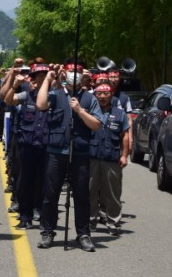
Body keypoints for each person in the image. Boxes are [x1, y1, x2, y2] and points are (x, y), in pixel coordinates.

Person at [35, 60, 103, 252]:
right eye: (71, 70)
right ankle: (47, 232)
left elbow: (96, 124)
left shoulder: (89, 98)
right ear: (64, 73)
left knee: (81, 196)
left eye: (78, 71)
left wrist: (79, 110)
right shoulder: (56, 94)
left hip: (80, 152)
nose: (75, 74)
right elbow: (40, 104)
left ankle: (83, 234)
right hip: (56, 152)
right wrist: (47, 80)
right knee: (50, 194)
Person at [1, 60, 50, 230]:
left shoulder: (54, 96)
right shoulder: (26, 95)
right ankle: (25, 216)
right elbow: (8, 100)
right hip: (27, 144)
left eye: (44, 76)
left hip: (46, 145)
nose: (41, 79)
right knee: (25, 181)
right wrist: (14, 85)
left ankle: (41, 213)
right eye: (38, 76)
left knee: (43, 182)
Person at [88, 81, 130, 234]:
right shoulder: (90, 112)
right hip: (92, 157)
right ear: (95, 95)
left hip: (112, 158)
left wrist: (124, 155)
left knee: (112, 192)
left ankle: (113, 222)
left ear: (111, 95)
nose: (102, 96)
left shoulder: (119, 113)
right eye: (99, 93)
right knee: (90, 191)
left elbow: (125, 135)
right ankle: (91, 221)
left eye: (106, 93)